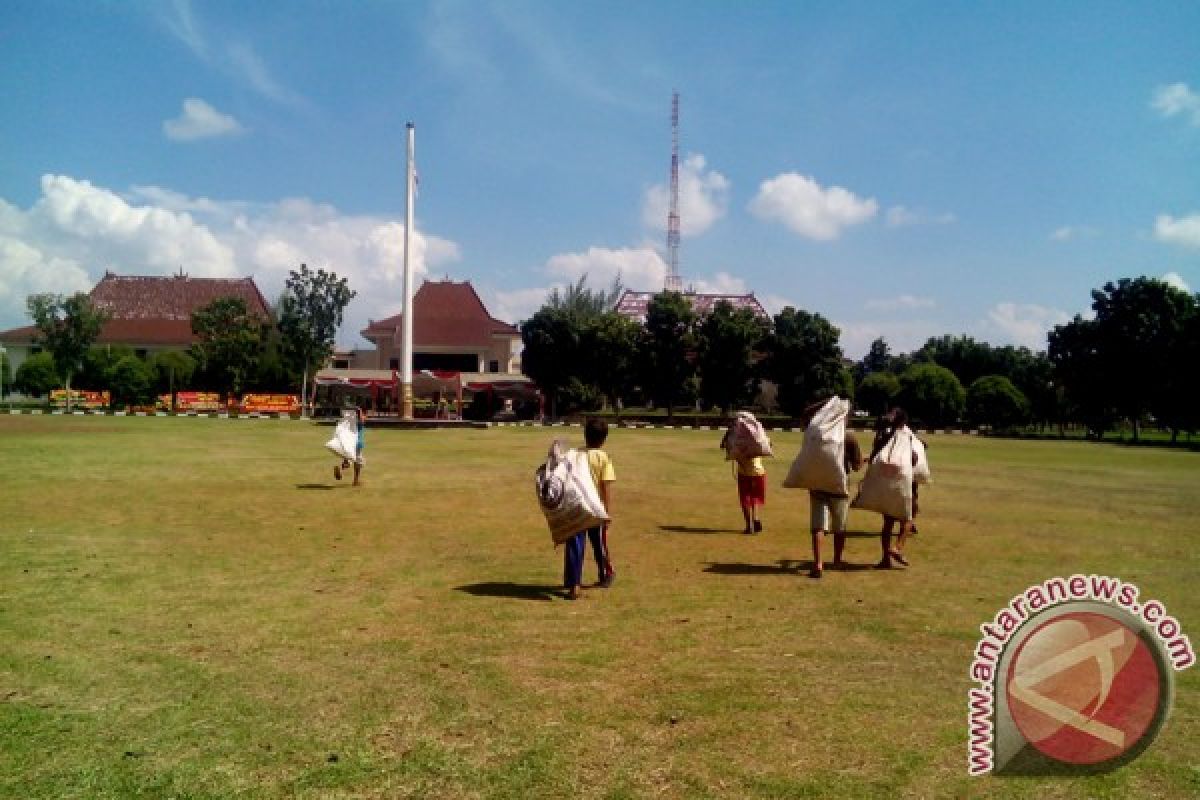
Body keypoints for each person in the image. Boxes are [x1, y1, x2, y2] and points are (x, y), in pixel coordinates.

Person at [802, 398, 863, 578]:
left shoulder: (818, 431)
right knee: (840, 526)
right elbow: (857, 465)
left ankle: (818, 562)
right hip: (839, 485)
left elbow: (805, 413)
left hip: (818, 484)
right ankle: (836, 559)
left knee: (818, 526)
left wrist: (824, 403)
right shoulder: (849, 436)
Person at [562, 418, 616, 599]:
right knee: (599, 543)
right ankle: (605, 574)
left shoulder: (575, 454)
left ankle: (574, 583)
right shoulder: (603, 457)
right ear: (604, 439)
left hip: (577, 507)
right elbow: (605, 486)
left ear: (585, 436)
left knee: (575, 545)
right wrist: (607, 513)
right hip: (595, 508)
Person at [871, 407, 919, 568]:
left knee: (888, 522)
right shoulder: (906, 436)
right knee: (907, 518)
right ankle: (897, 548)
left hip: (886, 482)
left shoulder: (883, 435)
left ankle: (885, 559)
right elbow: (913, 458)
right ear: (904, 422)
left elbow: (874, 456)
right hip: (902, 482)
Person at [720, 428, 767, 535]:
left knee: (745, 498)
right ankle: (756, 518)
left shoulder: (737, 438)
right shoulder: (757, 434)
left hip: (744, 472)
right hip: (758, 471)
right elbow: (768, 445)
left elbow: (722, 445)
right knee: (755, 496)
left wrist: (729, 432)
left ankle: (749, 526)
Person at [333, 405, 366, 487]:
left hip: (347, 442)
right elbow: (361, 419)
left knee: (347, 460)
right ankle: (356, 481)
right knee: (358, 462)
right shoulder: (359, 422)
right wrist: (359, 410)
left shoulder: (349, 423)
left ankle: (340, 469)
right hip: (357, 443)